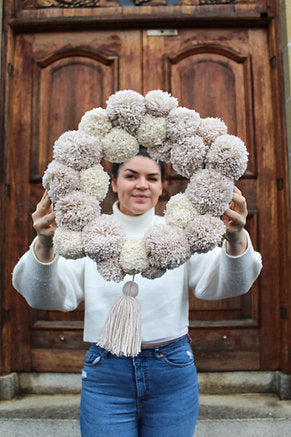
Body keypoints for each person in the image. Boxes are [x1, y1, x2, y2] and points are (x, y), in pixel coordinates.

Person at [12, 147, 262, 437]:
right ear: (113, 183)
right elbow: (47, 296)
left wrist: (234, 238)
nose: (142, 184)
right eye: (131, 176)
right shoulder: (88, 235)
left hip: (172, 370)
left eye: (152, 178)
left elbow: (227, 284)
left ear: (161, 187)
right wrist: (44, 245)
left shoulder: (179, 232)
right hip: (106, 373)